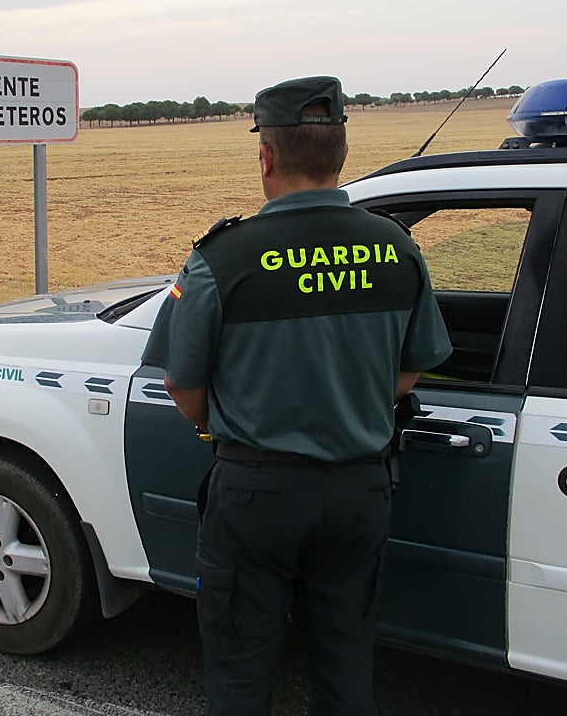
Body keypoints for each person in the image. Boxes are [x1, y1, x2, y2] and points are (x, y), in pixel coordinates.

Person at [141, 75, 452, 715]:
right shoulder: (397, 248)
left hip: (257, 494)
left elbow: (182, 381)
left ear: (266, 156)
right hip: (361, 492)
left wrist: (219, 432)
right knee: (345, 664)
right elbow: (409, 372)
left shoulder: (221, 257)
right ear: (339, 154)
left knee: (240, 669)